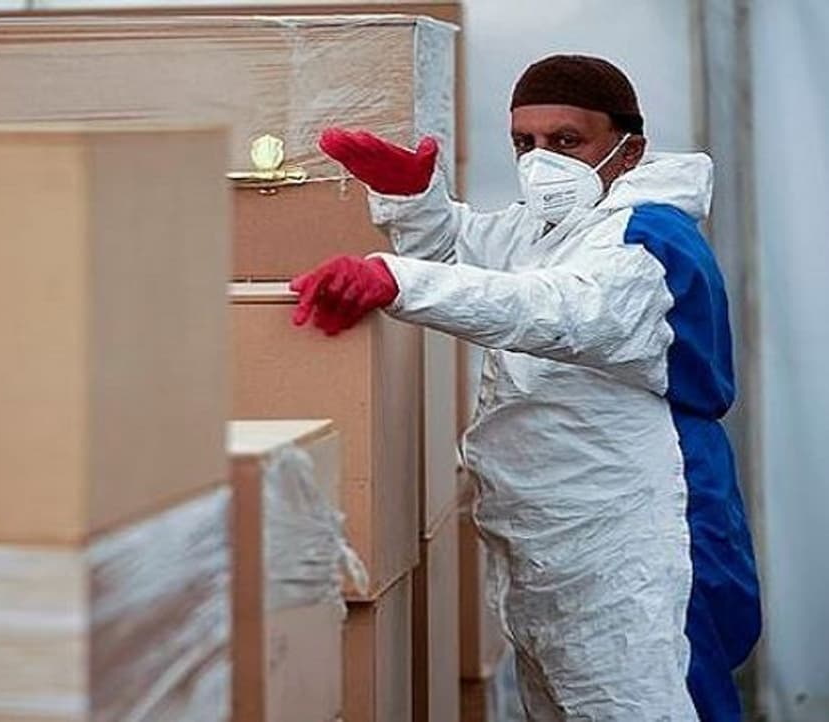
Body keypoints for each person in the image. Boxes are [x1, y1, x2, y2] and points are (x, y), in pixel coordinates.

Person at [292, 54, 762, 720]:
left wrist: (398, 281)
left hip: (635, 545)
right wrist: (414, 201)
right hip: (548, 543)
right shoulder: (542, 230)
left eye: (567, 141)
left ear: (629, 149)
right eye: (525, 143)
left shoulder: (649, 236)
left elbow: (558, 310)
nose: (542, 161)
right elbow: (466, 257)